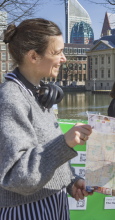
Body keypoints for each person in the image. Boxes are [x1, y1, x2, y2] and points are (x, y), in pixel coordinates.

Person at [0, 18, 93, 219]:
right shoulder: (11, 98)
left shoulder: (38, 94)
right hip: (27, 211)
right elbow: (18, 177)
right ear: (33, 56)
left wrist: (70, 181)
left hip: (52, 206)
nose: (64, 58)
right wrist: (65, 142)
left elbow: (45, 154)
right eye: (57, 52)